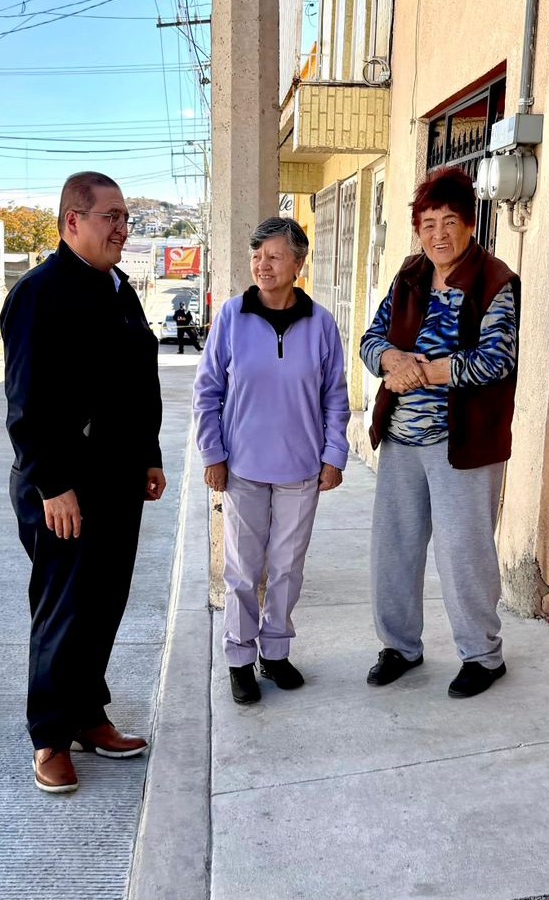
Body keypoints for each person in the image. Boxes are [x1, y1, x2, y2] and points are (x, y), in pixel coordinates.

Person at [0, 172, 167, 795]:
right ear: (73, 221)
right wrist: (52, 484)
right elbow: (26, 401)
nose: (123, 228)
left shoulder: (119, 290)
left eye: (126, 217)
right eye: (111, 217)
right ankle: (49, 736)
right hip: (64, 486)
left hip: (118, 478)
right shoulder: (39, 294)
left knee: (102, 605)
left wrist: (148, 455)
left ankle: (88, 716)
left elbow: (138, 384)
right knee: (63, 610)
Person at [360, 166, 521, 699]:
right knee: (394, 549)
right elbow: (371, 339)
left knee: (463, 553)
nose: (438, 234)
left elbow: (495, 361)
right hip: (401, 439)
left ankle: (482, 656)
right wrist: (392, 361)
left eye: (449, 222)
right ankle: (399, 647)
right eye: (427, 224)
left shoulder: (495, 281)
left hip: (463, 444)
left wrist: (422, 372)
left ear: (470, 225)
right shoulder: (409, 274)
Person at [193, 217, 350, 705]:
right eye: (257, 255)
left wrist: (334, 454)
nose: (262, 264)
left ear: (298, 263)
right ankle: (240, 658)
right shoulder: (232, 317)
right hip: (242, 467)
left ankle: (276, 651)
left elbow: (335, 396)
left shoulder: (321, 323)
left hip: (301, 469)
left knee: (286, 569)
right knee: (243, 570)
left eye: (274, 256)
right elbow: (207, 391)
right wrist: (213, 453)